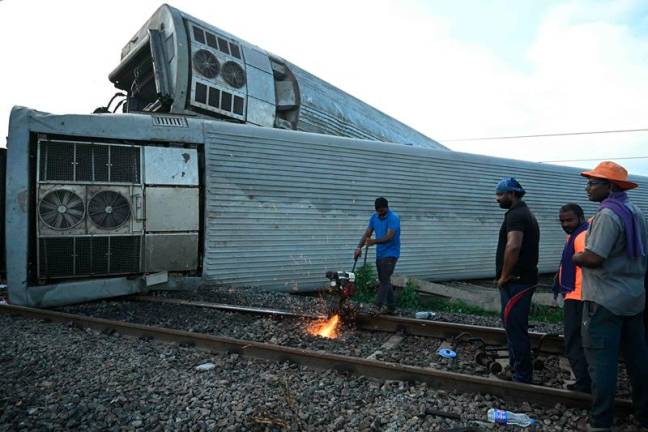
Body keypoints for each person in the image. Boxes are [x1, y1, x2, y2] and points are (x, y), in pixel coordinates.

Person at [572, 161, 648, 432]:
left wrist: (576, 256)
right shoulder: (634, 211)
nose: (588, 188)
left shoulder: (606, 215)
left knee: (601, 362)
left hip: (604, 300)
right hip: (633, 298)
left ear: (610, 186)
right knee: (638, 360)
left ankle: (601, 421)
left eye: (593, 183)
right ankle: (644, 414)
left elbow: (594, 257)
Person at [494, 177, 540, 384]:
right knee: (513, 328)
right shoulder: (523, 212)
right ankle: (516, 370)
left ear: (511, 194)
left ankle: (522, 378)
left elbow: (513, 246)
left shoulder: (516, 215)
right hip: (521, 280)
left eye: (500, 194)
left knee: (515, 329)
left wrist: (504, 276)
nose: (497, 199)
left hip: (517, 282)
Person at [552, 203, 591, 393]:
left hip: (579, 297)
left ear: (581, 217)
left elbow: (588, 262)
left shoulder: (582, 236)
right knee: (577, 341)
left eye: (569, 220)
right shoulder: (575, 234)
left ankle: (584, 383)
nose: (566, 224)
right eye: (562, 221)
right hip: (575, 294)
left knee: (573, 341)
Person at [354, 197, 400, 314]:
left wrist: (374, 241)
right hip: (380, 254)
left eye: (382, 211)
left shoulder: (393, 218)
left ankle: (376, 306)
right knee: (385, 280)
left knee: (384, 280)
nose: (380, 214)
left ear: (387, 208)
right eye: (378, 211)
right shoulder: (374, 217)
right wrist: (359, 247)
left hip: (391, 253)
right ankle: (391, 308)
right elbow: (367, 233)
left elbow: (389, 236)